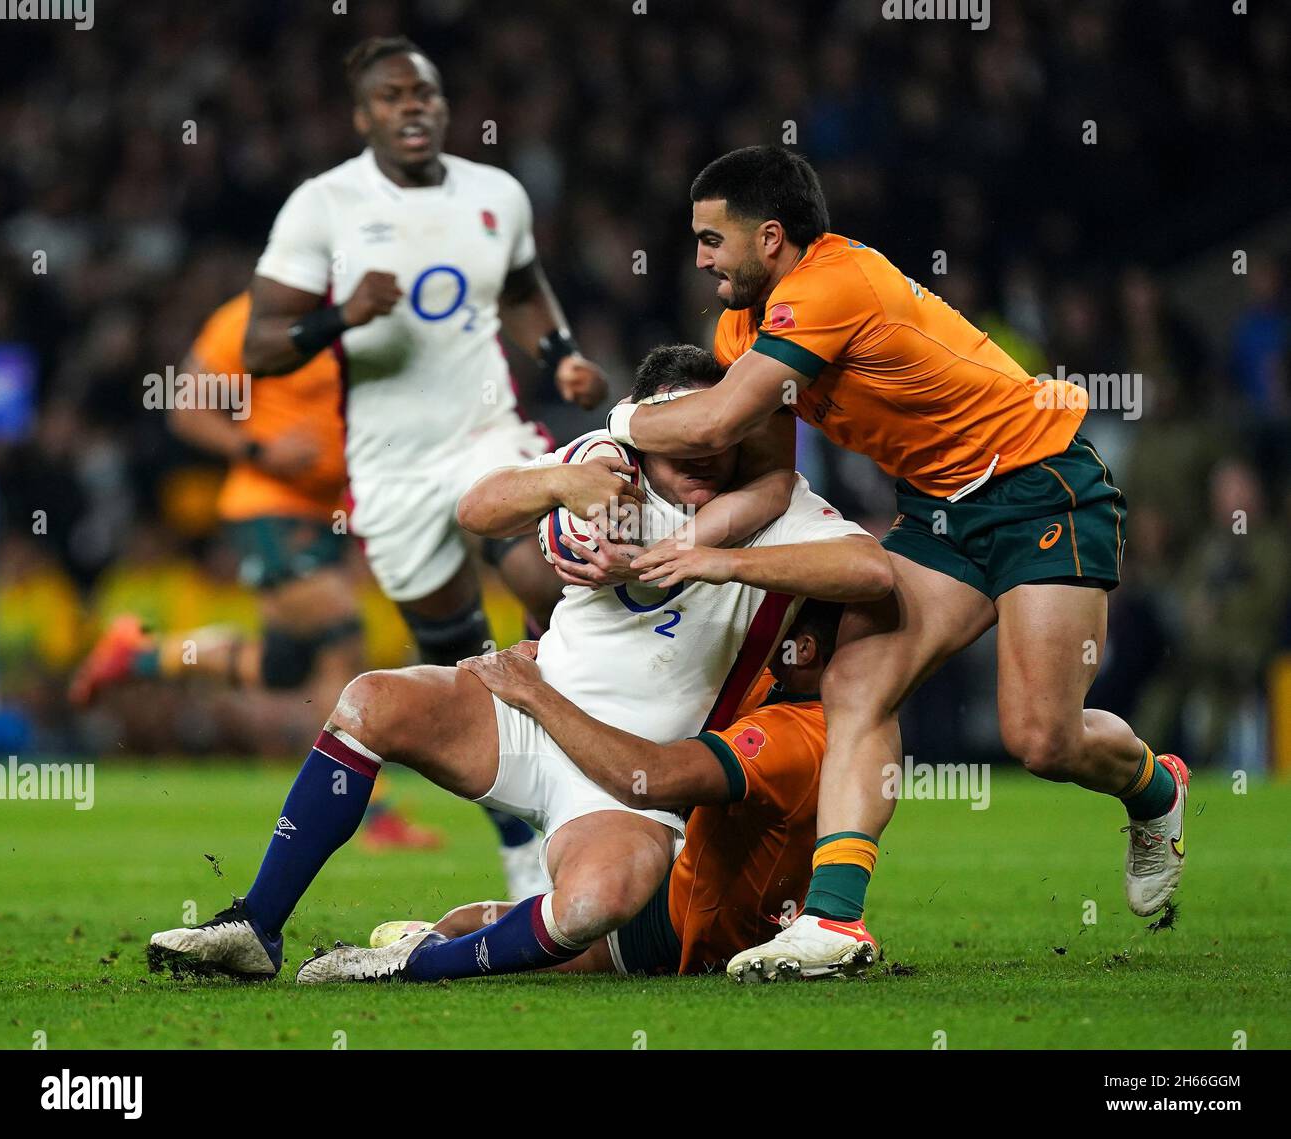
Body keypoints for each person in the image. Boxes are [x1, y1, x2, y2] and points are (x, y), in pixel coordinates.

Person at [607, 146, 1188, 981]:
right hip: (941, 512)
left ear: (770, 237)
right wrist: (695, 538)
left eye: (711, 239)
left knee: (1041, 737)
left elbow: (711, 422)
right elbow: (763, 466)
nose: (698, 258)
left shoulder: (833, 285)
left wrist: (622, 420)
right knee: (854, 683)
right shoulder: (741, 326)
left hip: (1041, 485)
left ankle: (1155, 789)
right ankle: (837, 921)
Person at [145, 345, 891, 982]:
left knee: (596, 905)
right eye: (679, 437)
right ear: (646, 425)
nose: (698, 453)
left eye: (713, 435)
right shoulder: (607, 467)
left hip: (628, 785)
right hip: (520, 709)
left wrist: (719, 562)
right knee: (370, 700)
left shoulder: (783, 512)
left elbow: (873, 571)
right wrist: (558, 482)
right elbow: (477, 507)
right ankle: (256, 926)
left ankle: (411, 963)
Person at [241, 35, 612, 891]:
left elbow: (519, 286)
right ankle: (519, 833)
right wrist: (340, 316)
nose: (413, 106)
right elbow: (259, 348)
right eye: (393, 96)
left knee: (551, 584)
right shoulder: (322, 206)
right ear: (363, 114)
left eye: (427, 93)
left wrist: (558, 354)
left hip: (488, 435)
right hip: (392, 469)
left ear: (444, 107)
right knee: (460, 654)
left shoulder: (496, 193)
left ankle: (590, 796)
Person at [69, 290, 435, 850]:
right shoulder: (249, 317)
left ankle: (137, 654)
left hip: (323, 513)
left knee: (283, 667)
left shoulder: (362, 316)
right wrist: (261, 451)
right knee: (343, 635)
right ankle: (375, 814)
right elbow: (187, 408)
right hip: (266, 507)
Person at [362, 598, 849, 980]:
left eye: (779, 623)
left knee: (567, 926)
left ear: (802, 649)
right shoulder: (800, 698)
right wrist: (560, 658)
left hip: (691, 933)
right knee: (485, 917)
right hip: (685, 879)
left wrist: (536, 692)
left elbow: (649, 778)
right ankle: (426, 939)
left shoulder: (793, 735)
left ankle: (415, 964)